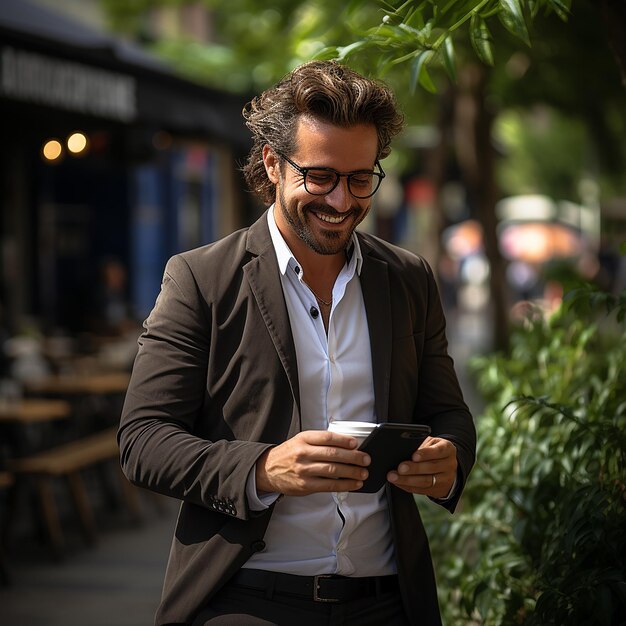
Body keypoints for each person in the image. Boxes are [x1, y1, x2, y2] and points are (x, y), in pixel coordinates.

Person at [119, 60, 476, 626]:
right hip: (243, 595)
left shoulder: (409, 280)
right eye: (321, 177)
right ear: (271, 164)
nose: (341, 202)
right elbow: (143, 441)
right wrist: (262, 470)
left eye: (361, 178)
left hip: (387, 598)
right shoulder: (201, 279)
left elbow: (449, 414)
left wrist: (449, 458)